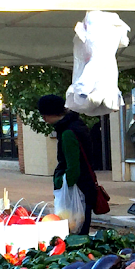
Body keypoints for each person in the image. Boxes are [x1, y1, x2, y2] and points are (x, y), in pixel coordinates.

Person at [37, 94, 97, 234]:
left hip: (78, 188)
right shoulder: (76, 125)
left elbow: (73, 168)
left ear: (50, 113)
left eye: (44, 114)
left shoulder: (68, 133)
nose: (44, 119)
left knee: (74, 233)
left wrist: (60, 184)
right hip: (86, 187)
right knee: (82, 229)